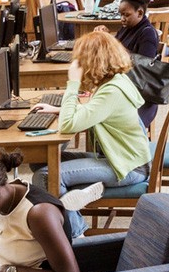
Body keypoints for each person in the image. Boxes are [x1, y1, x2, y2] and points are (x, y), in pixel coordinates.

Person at [52, 31, 153, 195]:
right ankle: (67, 207)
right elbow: (94, 111)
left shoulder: (111, 91)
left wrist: (73, 83)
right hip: (121, 157)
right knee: (43, 161)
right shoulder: (116, 80)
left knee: (49, 175)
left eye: (80, 59)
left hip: (128, 167)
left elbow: (67, 125)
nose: (77, 63)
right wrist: (60, 110)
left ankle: (67, 220)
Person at [110, 0, 164, 129]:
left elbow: (143, 70)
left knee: (103, 121)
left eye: (126, 15)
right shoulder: (127, 28)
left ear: (140, 13)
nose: (122, 18)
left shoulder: (147, 34)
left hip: (141, 99)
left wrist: (115, 48)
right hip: (126, 89)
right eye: (120, 14)